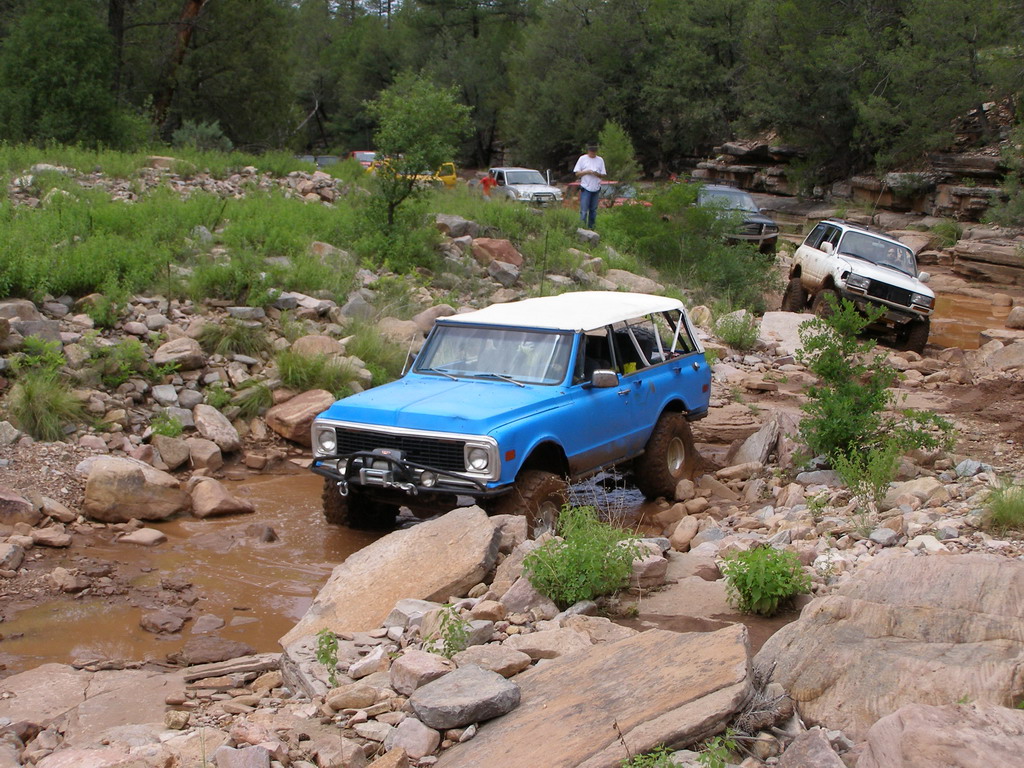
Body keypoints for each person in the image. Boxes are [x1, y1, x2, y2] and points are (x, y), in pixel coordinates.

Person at [573, 144, 606, 229]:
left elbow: (603, 174)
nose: (593, 153)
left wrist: (596, 174)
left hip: (596, 188)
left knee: (593, 210)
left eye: (594, 152)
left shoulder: (600, 160)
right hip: (585, 187)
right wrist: (587, 172)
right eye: (591, 151)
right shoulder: (582, 159)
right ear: (588, 151)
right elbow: (577, 173)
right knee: (584, 210)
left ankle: (591, 227)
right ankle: (582, 227)